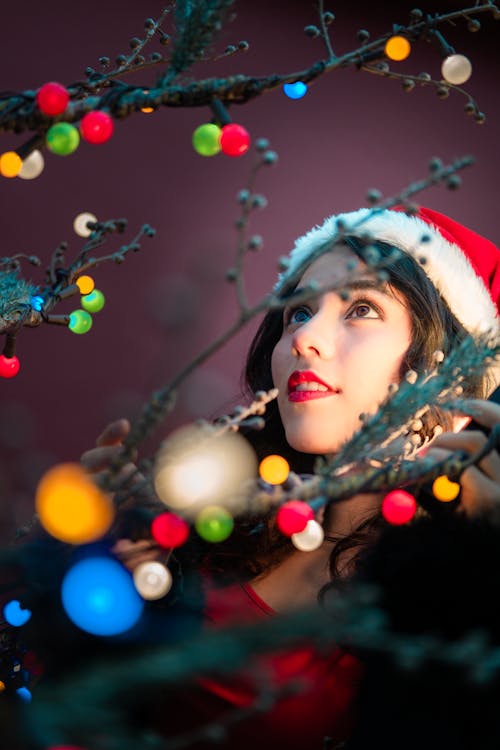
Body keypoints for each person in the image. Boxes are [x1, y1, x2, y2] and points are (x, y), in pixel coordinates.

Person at [81, 205, 500, 749]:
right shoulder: (217, 519)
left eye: (363, 308)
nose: (304, 339)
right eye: (298, 312)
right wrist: (117, 582)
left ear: (453, 381)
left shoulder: (456, 603)